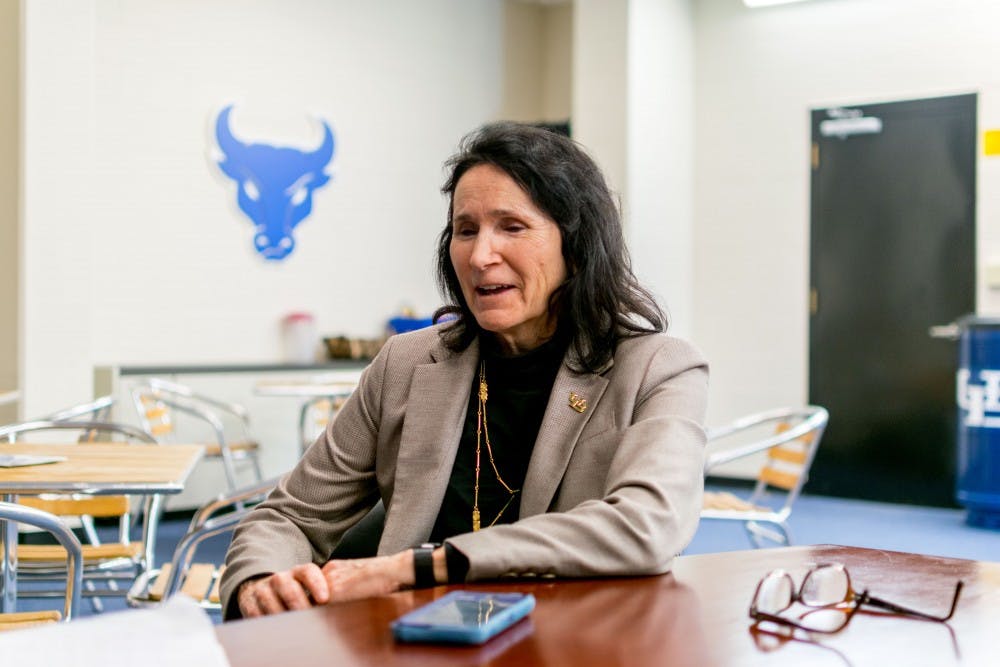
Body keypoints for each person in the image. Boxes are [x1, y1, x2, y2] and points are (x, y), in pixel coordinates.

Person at [221, 122, 709, 619]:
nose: (480, 256)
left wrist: (421, 567)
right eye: (465, 229)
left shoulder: (659, 369)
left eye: (512, 227)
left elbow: (649, 524)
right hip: (406, 643)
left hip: (567, 641)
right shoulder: (405, 363)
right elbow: (291, 514)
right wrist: (260, 580)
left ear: (577, 246)